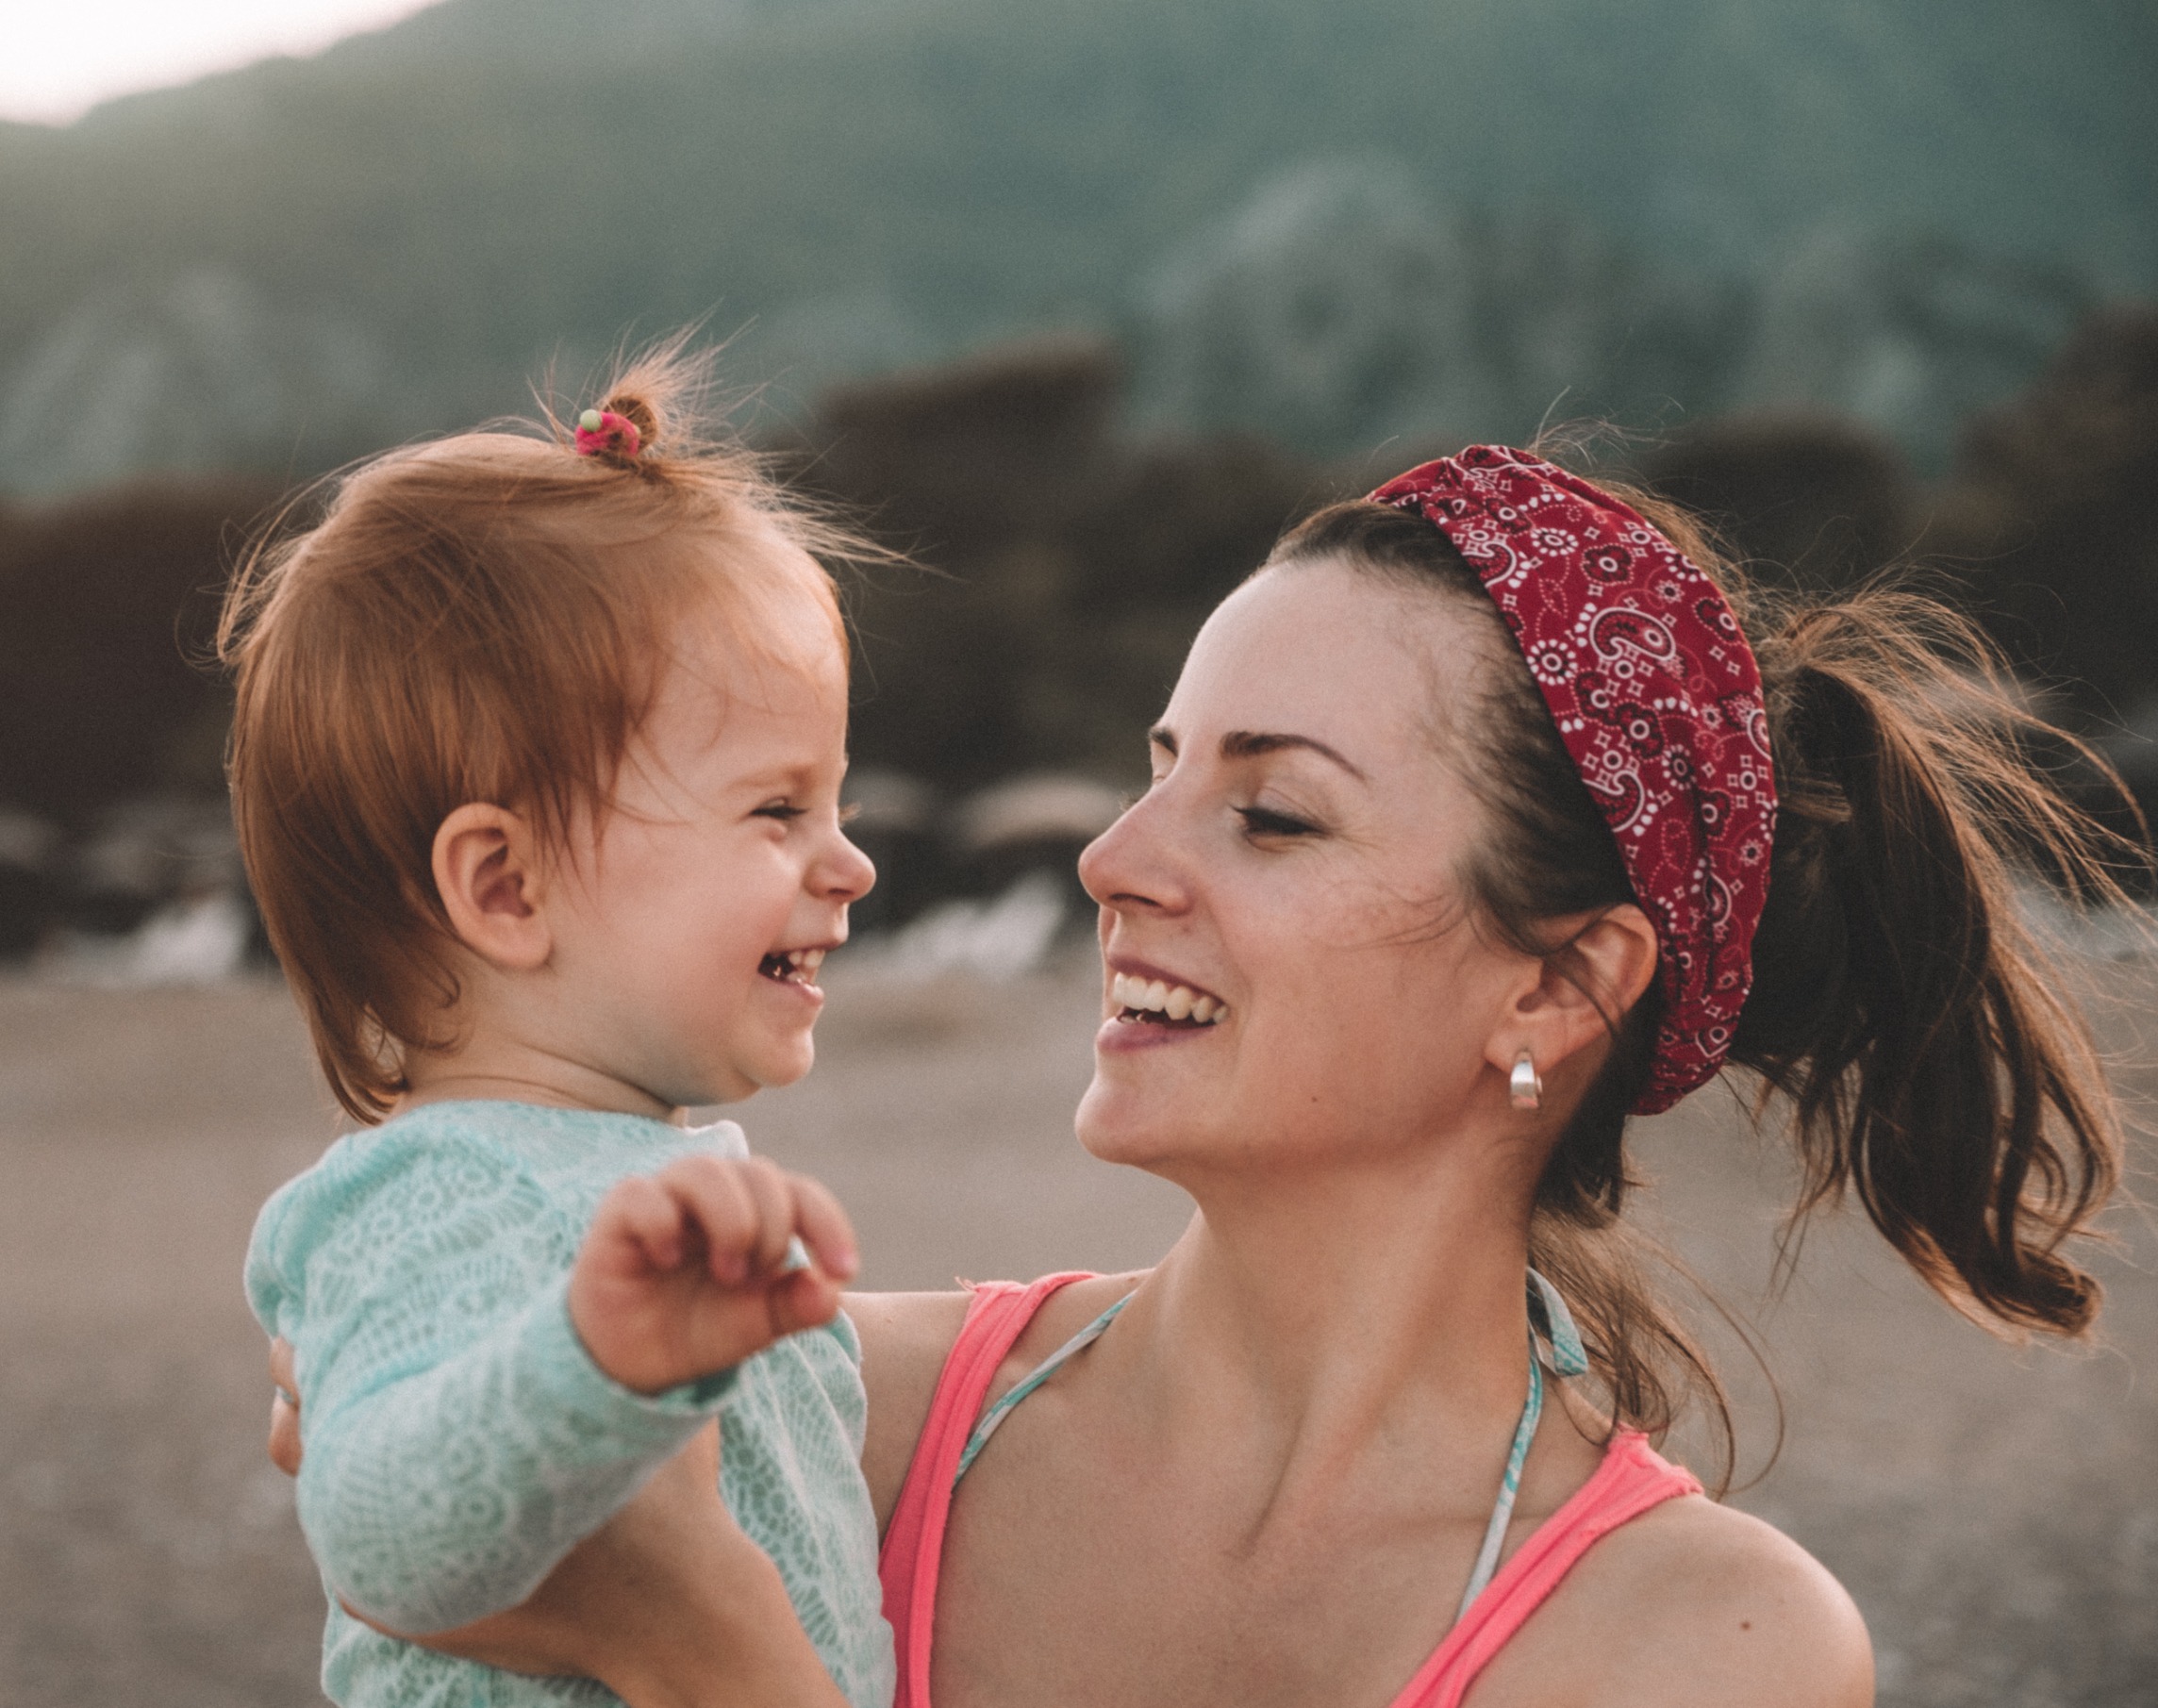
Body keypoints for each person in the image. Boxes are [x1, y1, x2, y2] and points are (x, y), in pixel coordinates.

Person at [281, 443, 2129, 1707]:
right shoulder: (802, 1389)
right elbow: (388, 1483)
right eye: (1156, 763)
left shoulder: (1694, 1646)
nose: (1111, 856)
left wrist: (701, 1645)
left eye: (1268, 810)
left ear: (1557, 980)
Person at [229, 345, 897, 1708]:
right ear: (507, 887)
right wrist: (589, 1362)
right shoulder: (438, 1192)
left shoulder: (634, 1186)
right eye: (777, 810)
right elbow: (382, 1539)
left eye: (833, 803)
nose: (850, 863)